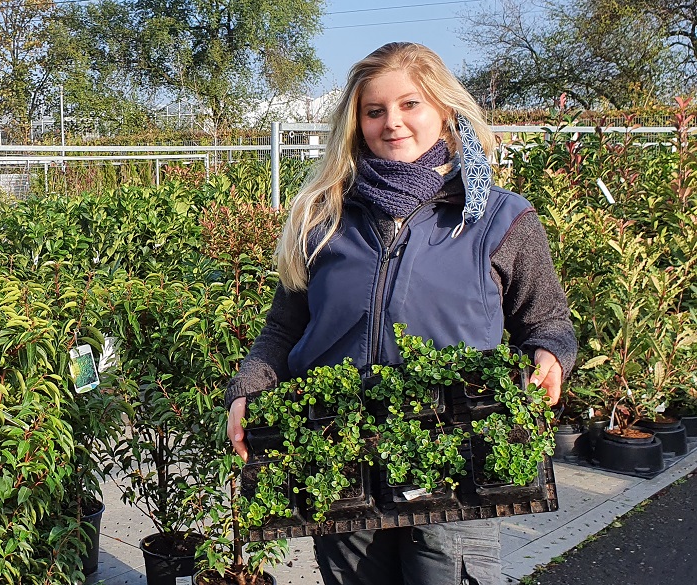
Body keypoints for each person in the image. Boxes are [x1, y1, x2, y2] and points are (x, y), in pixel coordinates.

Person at [224, 42, 576, 585]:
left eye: (410, 104)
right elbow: (284, 326)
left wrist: (550, 355)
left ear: (444, 110)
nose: (393, 123)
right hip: (339, 455)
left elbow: (546, 321)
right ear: (356, 122)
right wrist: (248, 388)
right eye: (375, 110)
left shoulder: (497, 218)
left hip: (456, 457)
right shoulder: (323, 217)